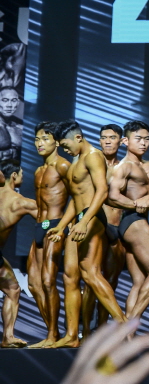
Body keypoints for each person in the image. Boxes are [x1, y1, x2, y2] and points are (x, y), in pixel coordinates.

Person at [45, 120, 127, 347]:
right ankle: (72, 336)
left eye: (65, 145)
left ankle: (124, 327)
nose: (65, 150)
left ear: (78, 138)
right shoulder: (77, 160)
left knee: (91, 274)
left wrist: (84, 221)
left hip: (91, 219)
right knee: (70, 276)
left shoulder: (93, 156)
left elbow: (102, 192)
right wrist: (62, 225)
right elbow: (76, 198)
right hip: (79, 220)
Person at [106, 121, 149, 321]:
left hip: (139, 220)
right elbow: (112, 196)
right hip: (132, 221)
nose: (143, 143)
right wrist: (136, 204)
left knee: (140, 281)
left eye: (146, 139)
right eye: (138, 139)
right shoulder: (124, 167)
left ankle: (128, 334)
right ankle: (129, 324)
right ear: (125, 141)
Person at [26, 121, 70, 348]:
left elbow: (80, 195)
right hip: (39, 225)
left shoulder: (63, 166)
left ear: (57, 142)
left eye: (45, 139)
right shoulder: (38, 170)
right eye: (37, 139)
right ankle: (51, 331)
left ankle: (53, 335)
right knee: (34, 284)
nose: (39, 143)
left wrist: (65, 225)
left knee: (48, 281)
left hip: (55, 225)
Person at [81, 124, 127, 332]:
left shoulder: (126, 167)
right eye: (103, 137)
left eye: (112, 137)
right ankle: (85, 332)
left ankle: (102, 329)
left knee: (111, 282)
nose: (107, 141)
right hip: (96, 226)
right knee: (91, 281)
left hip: (117, 227)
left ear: (121, 141)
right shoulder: (92, 163)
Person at [0, 159, 37, 347]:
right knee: (12, 290)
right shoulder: (21, 202)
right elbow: (50, 219)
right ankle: (7, 337)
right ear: (14, 176)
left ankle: (8, 338)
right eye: (22, 173)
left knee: (13, 288)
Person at [0, 88, 22, 158]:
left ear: (18, 103)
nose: (9, 105)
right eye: (5, 100)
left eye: (13, 100)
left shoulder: (20, 128)